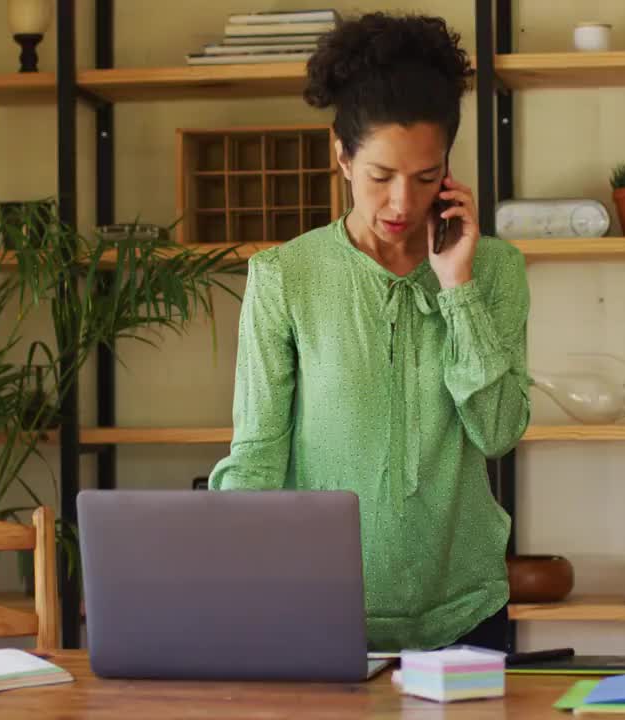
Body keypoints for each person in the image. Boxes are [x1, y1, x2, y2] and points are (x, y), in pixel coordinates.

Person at [208, 12, 532, 652]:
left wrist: (458, 288)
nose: (402, 204)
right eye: (381, 176)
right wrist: (230, 589)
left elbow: (497, 433)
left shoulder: (494, 270)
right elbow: (258, 455)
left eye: (426, 176)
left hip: (466, 617)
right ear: (343, 158)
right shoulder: (284, 277)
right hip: (318, 616)